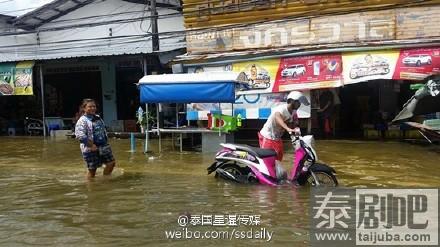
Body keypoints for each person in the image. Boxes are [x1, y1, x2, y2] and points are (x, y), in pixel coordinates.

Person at [258, 91, 310, 162]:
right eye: (298, 102)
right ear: (291, 101)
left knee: (279, 158)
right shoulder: (281, 109)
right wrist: (287, 128)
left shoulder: (294, 111)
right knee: (267, 160)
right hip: (267, 136)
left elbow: (294, 123)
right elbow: (278, 117)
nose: (299, 104)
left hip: (277, 138)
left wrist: (296, 129)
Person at [75, 99, 116, 179]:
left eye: (94, 106)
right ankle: (91, 187)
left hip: (103, 145)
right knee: (92, 170)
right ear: (84, 108)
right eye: (90, 107)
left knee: (111, 163)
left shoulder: (97, 117)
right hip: (90, 147)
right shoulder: (82, 120)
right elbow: (80, 135)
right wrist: (91, 145)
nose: (93, 108)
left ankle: (105, 180)